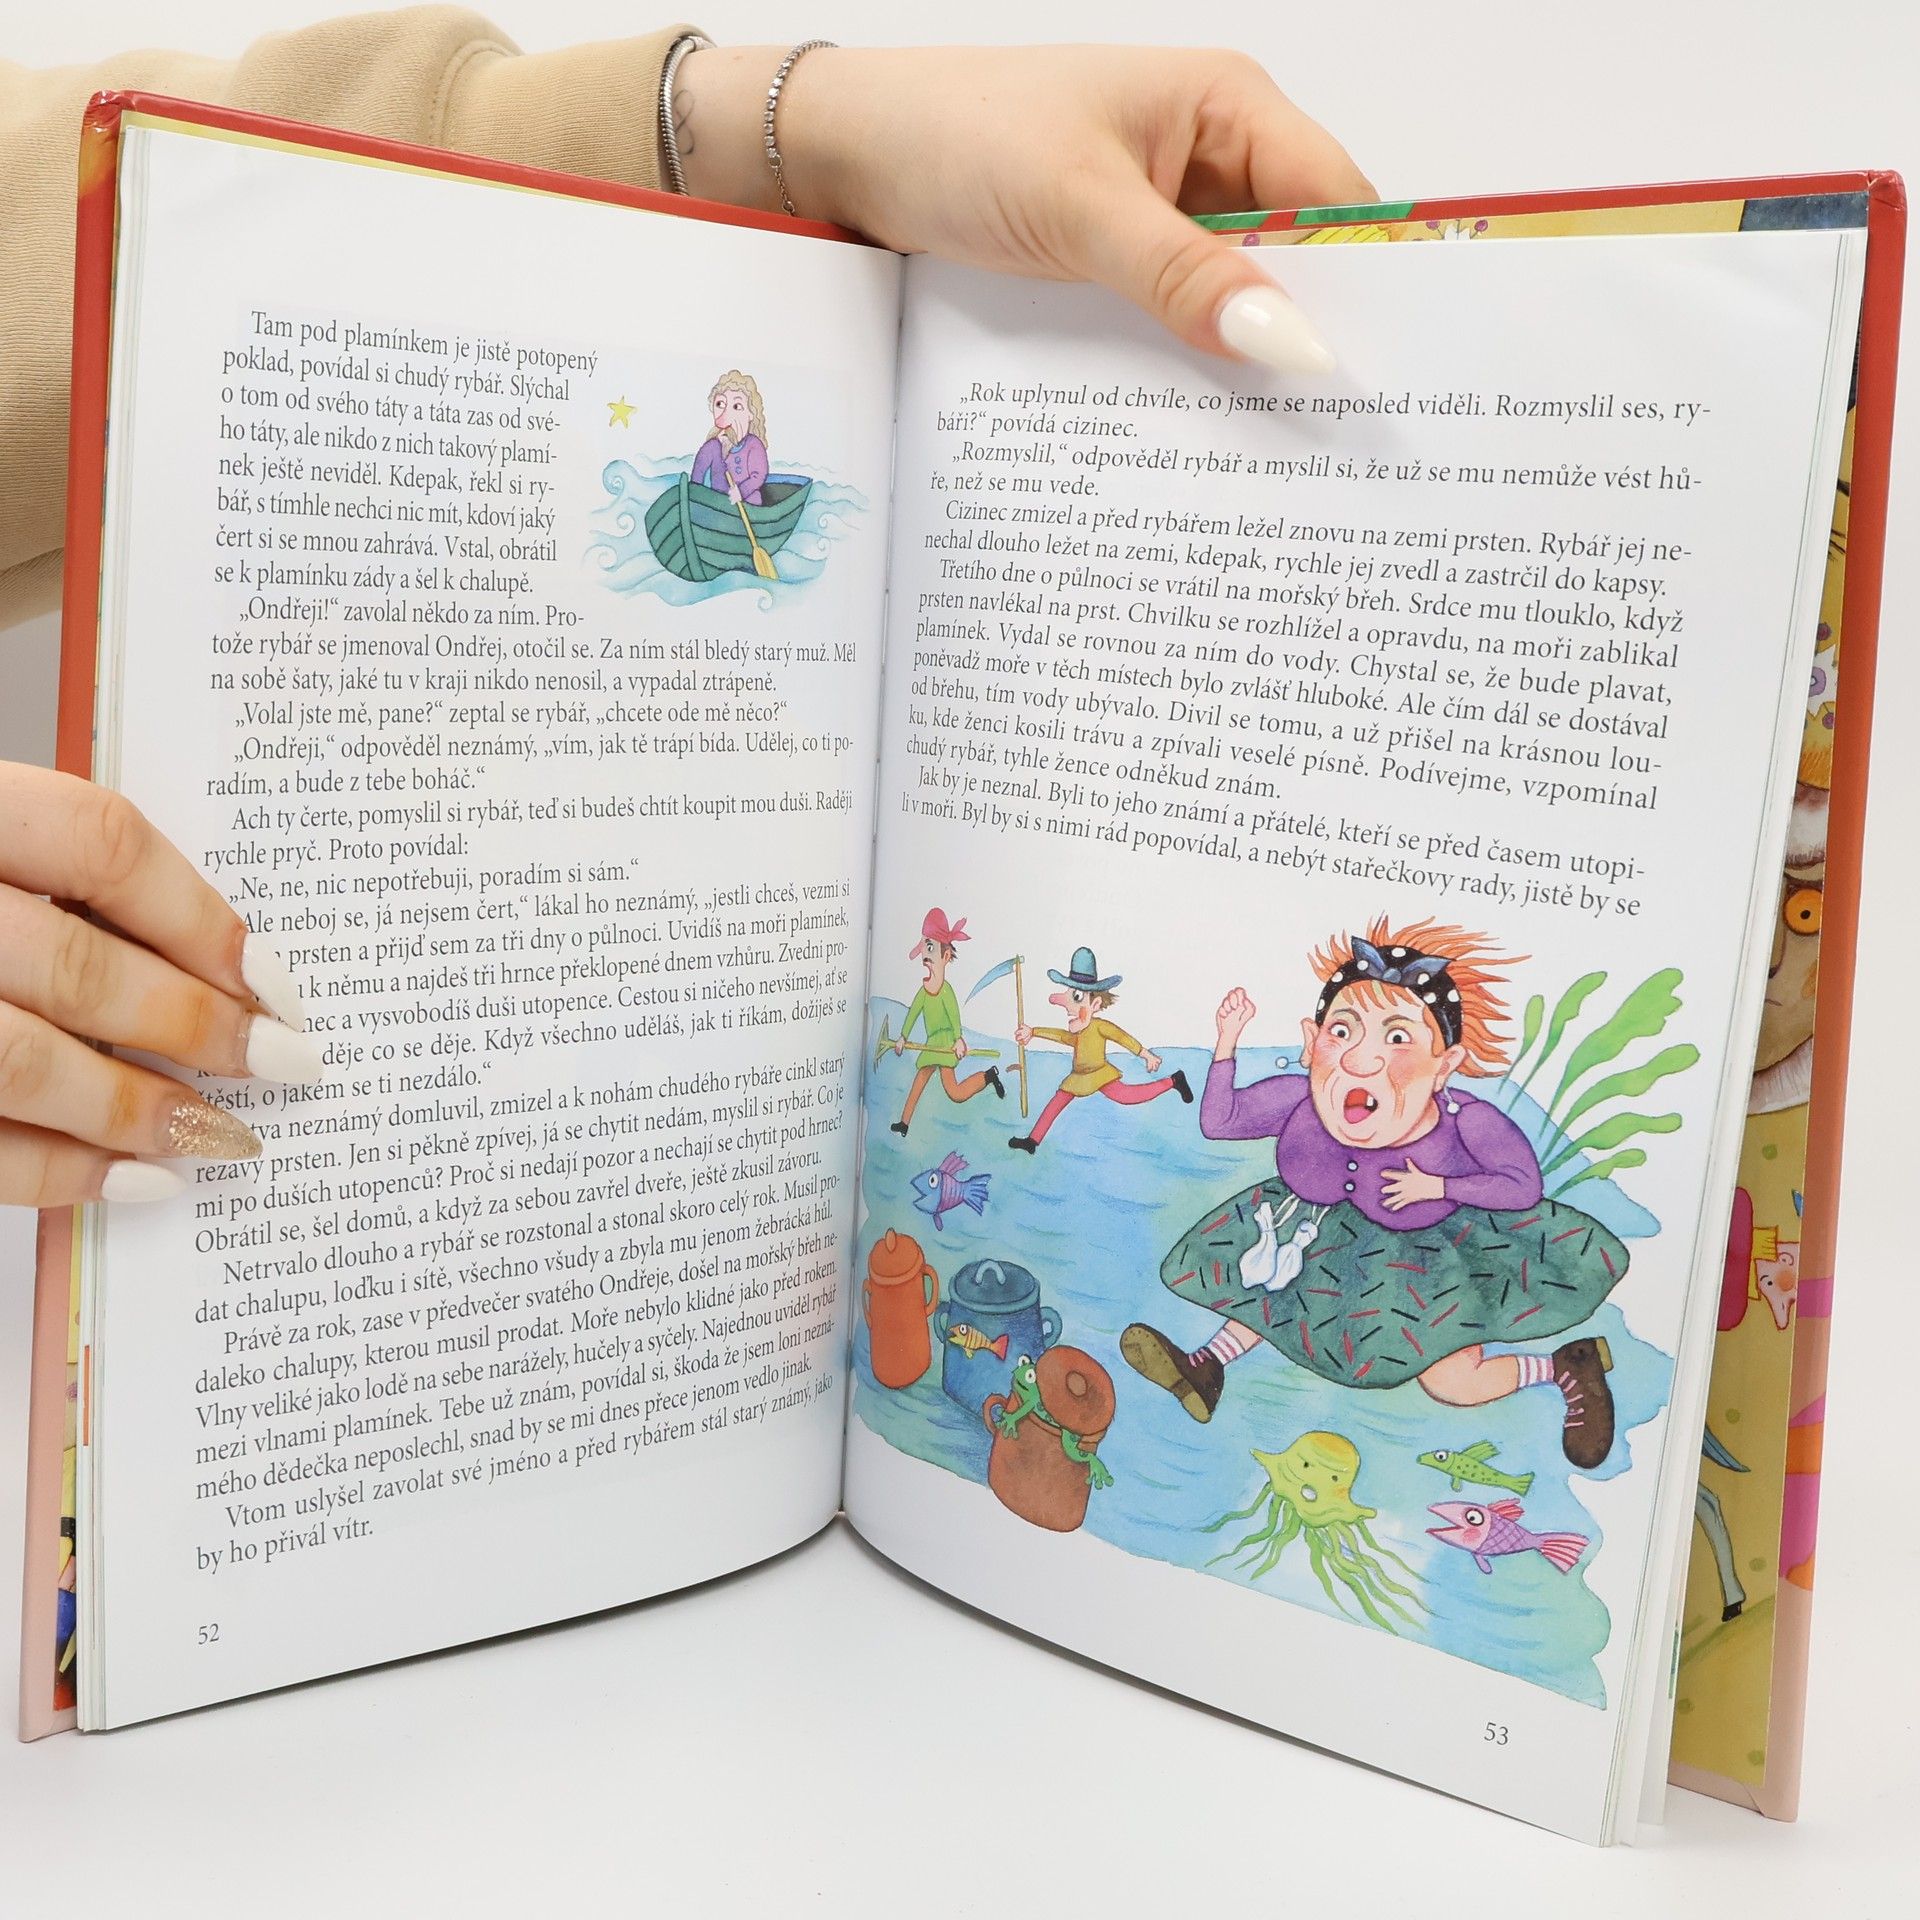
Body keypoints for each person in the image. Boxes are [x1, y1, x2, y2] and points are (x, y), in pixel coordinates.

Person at [0, 13, 1368, 1212]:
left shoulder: (749, 448)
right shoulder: (711, 454)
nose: (720, 417)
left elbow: (81, 223)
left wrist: (793, 128)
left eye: (726, 408)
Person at [1121, 920, 1622, 1468]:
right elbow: (1220, 1122)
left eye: (1398, 1038)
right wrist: (1227, 1041)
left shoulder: (1466, 1120)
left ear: (1444, 1067)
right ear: (1311, 1043)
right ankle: (1208, 1365)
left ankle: (1565, 1367)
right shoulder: (1302, 1099)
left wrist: (1440, 1186)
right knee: (1268, 1292)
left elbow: (1522, 1185)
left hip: (1433, 1264)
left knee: (1453, 1383)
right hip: (1320, 1241)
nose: (1360, 1059)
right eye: (1342, 1031)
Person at [1010, 947, 1191, 1154]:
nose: (1064, 1003)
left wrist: (1147, 1055)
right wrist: (1034, 1032)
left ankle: (1174, 1081)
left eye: (1076, 996)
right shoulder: (1079, 1030)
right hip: (1079, 1076)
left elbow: (1123, 1038)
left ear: (1095, 1003)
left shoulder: (1099, 1027)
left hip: (1099, 1074)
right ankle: (1033, 1141)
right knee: (1057, 1101)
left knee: (1129, 1096)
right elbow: (1064, 1037)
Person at [890, 909, 1003, 1135]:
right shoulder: (924, 992)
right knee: (919, 1080)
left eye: (930, 948)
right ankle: (904, 1122)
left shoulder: (946, 991)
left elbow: (954, 1017)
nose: (925, 956)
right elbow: (912, 1014)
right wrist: (903, 1036)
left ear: (946, 956)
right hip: (932, 1043)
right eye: (924, 948)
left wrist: (958, 1039)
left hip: (946, 1044)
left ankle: (988, 1076)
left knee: (955, 1093)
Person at [690, 370, 770, 505]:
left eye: (737, 406)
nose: (726, 414)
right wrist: (694, 497)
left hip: (747, 505)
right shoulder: (713, 446)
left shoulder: (753, 444)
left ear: (750, 414)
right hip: (719, 505)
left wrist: (741, 492)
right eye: (720, 404)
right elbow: (697, 475)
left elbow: (758, 475)